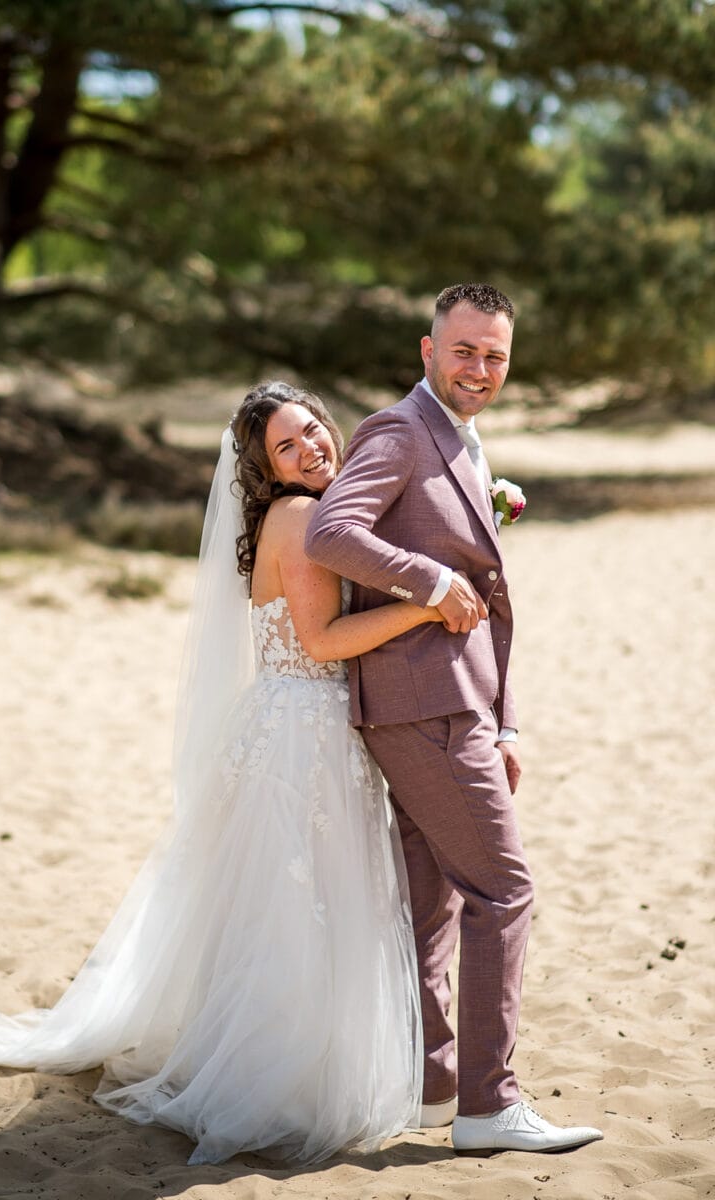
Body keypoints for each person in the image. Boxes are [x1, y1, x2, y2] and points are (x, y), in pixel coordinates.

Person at [0, 381, 452, 1166]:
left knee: (280, 907)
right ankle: (283, 1081)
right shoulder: (303, 516)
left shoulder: (311, 510)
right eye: (288, 445)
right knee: (301, 910)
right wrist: (426, 601)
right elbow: (319, 641)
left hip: (285, 725)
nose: (311, 446)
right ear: (268, 469)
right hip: (304, 735)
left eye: (313, 428)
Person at [305, 283, 604, 1156]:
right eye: (465, 350)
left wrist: (506, 723)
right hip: (423, 704)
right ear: (427, 350)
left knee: (434, 902)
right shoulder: (400, 430)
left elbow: (492, 596)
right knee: (504, 891)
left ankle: (437, 1085)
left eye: (496, 355)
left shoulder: (460, 440)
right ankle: (490, 1104)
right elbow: (331, 532)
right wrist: (429, 582)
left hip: (459, 702)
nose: (480, 368)